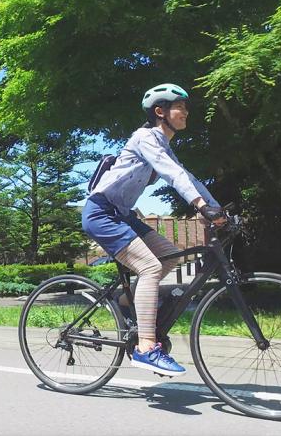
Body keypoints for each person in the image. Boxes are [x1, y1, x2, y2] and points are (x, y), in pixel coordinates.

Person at [83, 83, 226, 376]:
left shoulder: (164, 145)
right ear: (160, 112)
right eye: (179, 107)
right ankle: (146, 348)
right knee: (149, 268)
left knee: (171, 256)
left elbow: (187, 176)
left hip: (121, 214)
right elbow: (172, 175)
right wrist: (201, 206)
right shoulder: (145, 138)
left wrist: (217, 208)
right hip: (101, 212)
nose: (185, 112)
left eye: (186, 107)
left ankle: (125, 302)